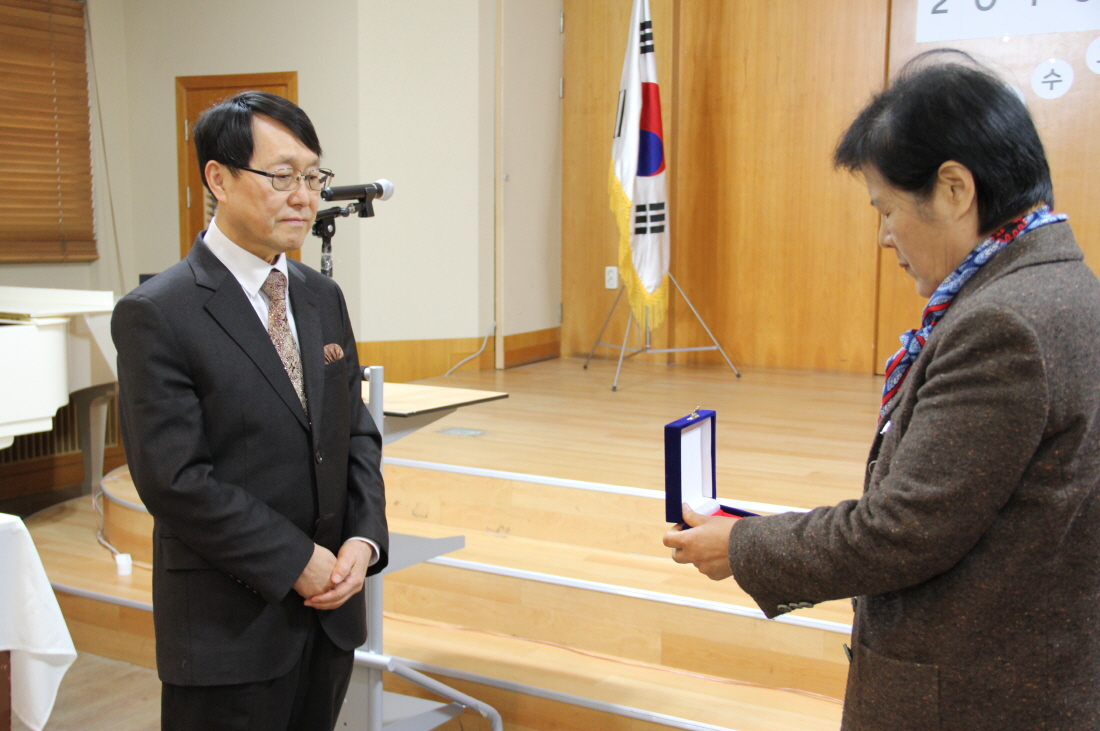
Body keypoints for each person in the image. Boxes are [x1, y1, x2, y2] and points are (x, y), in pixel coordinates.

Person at [664, 51, 1100, 730]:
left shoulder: (1003, 325)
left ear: (954, 189)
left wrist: (744, 546)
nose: (883, 236)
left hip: (973, 697)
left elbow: (904, 531)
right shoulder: (1063, 286)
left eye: (887, 209)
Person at [112, 91, 389, 731]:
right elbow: (174, 479)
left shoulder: (320, 295)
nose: (305, 198)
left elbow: (354, 433)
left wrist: (363, 538)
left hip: (329, 618)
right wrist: (295, 561)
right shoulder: (159, 312)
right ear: (219, 179)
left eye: (313, 177)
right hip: (228, 630)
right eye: (282, 176)